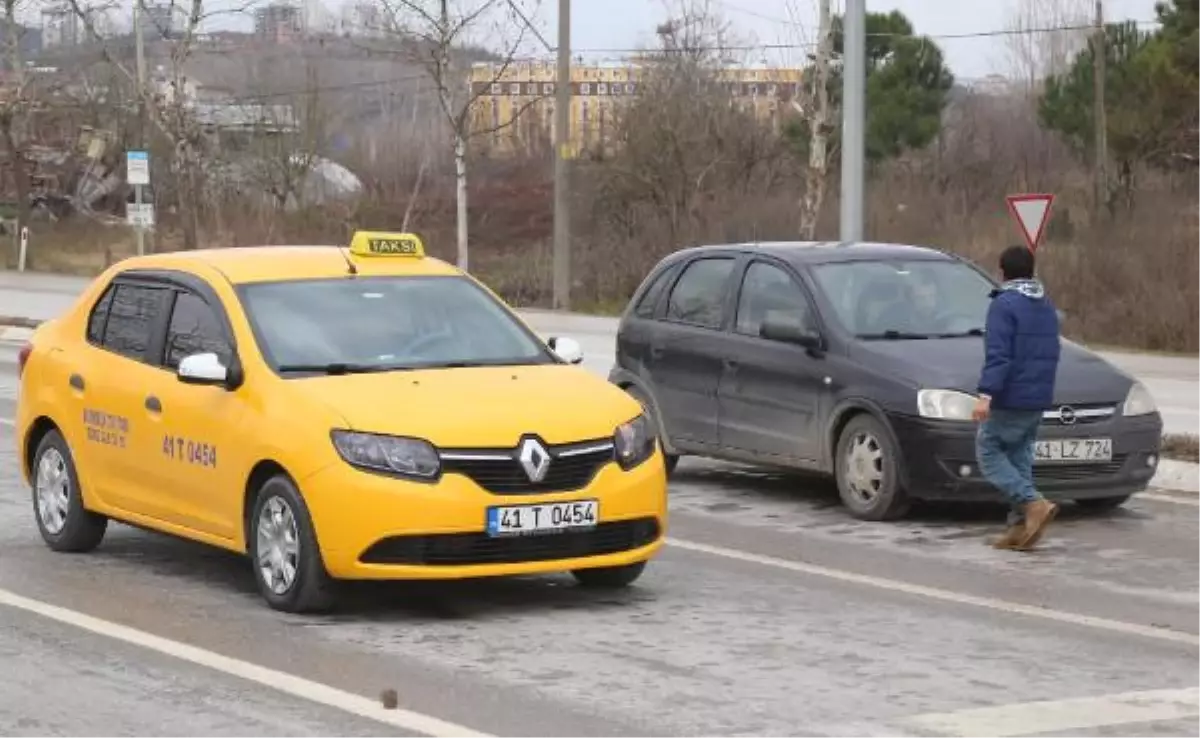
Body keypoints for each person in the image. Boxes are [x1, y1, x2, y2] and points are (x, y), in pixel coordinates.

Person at [972, 245, 1062, 550]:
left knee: (988, 452)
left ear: (1001, 271)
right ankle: (1020, 529)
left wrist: (986, 395)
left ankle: (1033, 504)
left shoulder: (1004, 304)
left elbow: (999, 356)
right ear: (1031, 270)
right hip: (1038, 396)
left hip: (1010, 397)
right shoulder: (1046, 305)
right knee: (1020, 459)